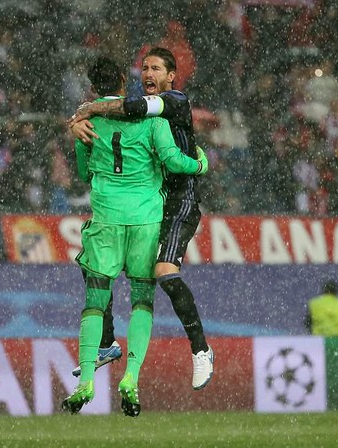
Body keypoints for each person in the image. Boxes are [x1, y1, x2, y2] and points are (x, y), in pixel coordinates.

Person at [61, 56, 208, 417]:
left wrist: (81, 122)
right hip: (145, 220)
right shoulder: (151, 120)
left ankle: (86, 382)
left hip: (107, 218)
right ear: (125, 86)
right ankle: (131, 377)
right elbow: (174, 161)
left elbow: (82, 172)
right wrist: (201, 163)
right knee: (142, 300)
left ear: (96, 89)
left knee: (95, 298)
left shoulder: (88, 123)